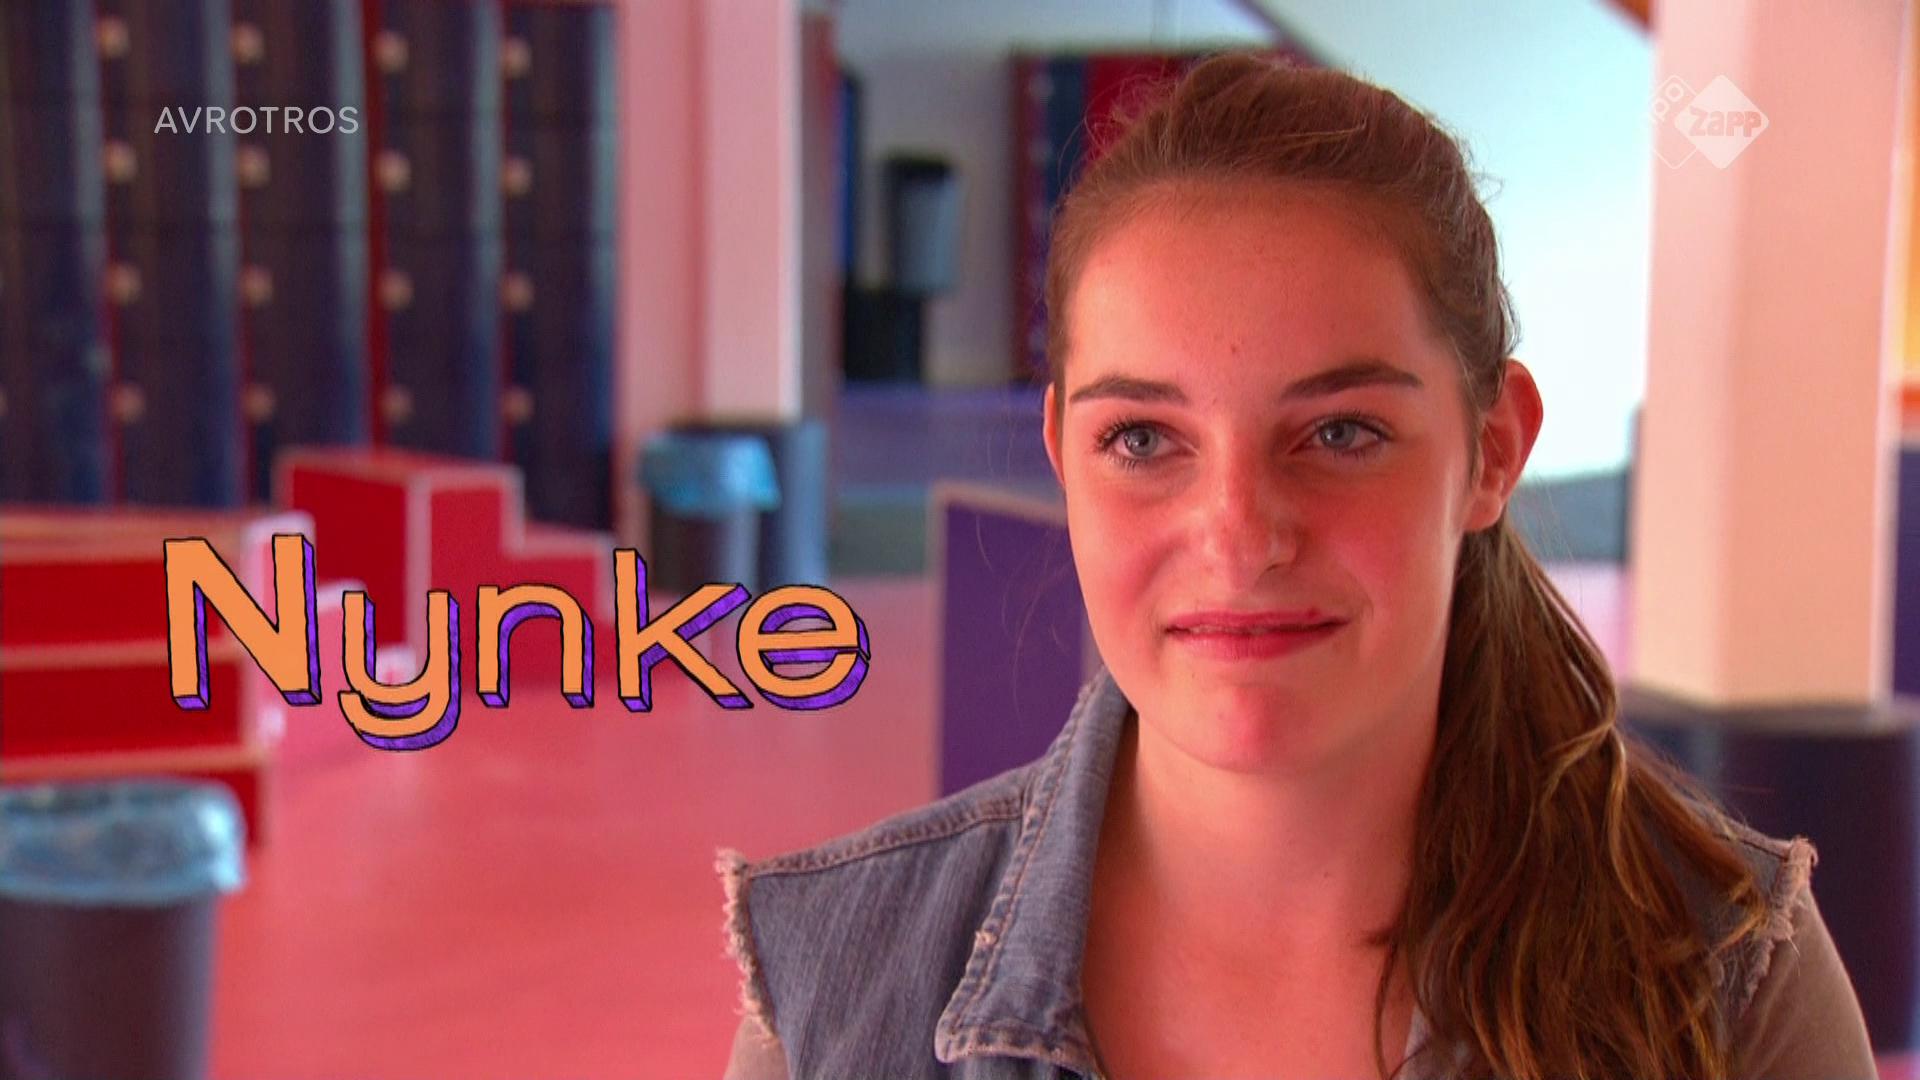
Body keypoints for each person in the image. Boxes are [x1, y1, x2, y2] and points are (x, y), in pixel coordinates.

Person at [716, 53, 1877, 1079]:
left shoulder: (1718, 971)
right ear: (1064, 457)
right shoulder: (842, 991)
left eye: (1340, 432)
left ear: (1492, 450)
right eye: (1143, 440)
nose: (1237, 534)